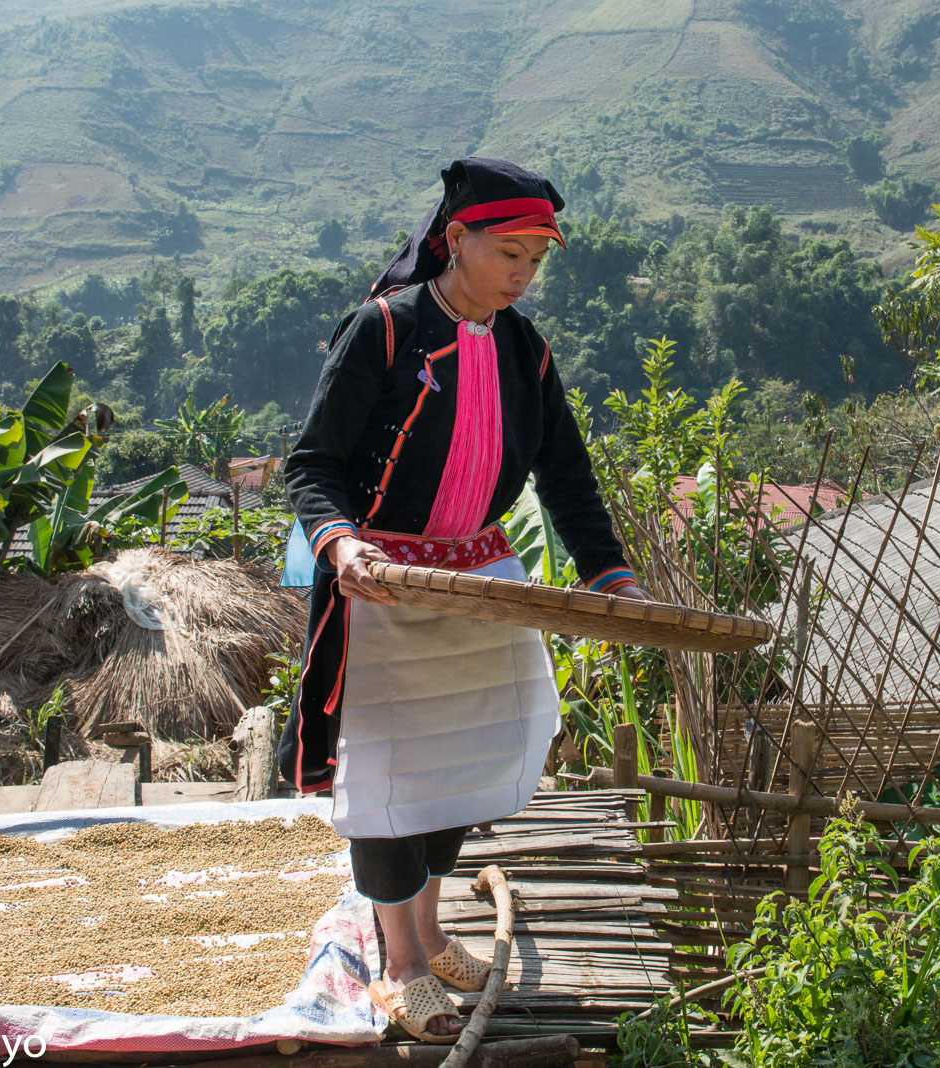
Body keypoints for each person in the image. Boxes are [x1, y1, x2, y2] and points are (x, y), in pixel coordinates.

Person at [281, 157, 647, 1043]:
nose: (523, 273)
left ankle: (434, 932)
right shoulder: (383, 331)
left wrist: (610, 574)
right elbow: (312, 465)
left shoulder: (525, 348)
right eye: (509, 252)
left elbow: (565, 471)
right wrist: (342, 541)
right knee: (388, 775)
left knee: (457, 766)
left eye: (536, 258)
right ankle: (398, 962)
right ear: (456, 241)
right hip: (385, 583)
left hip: (482, 580)